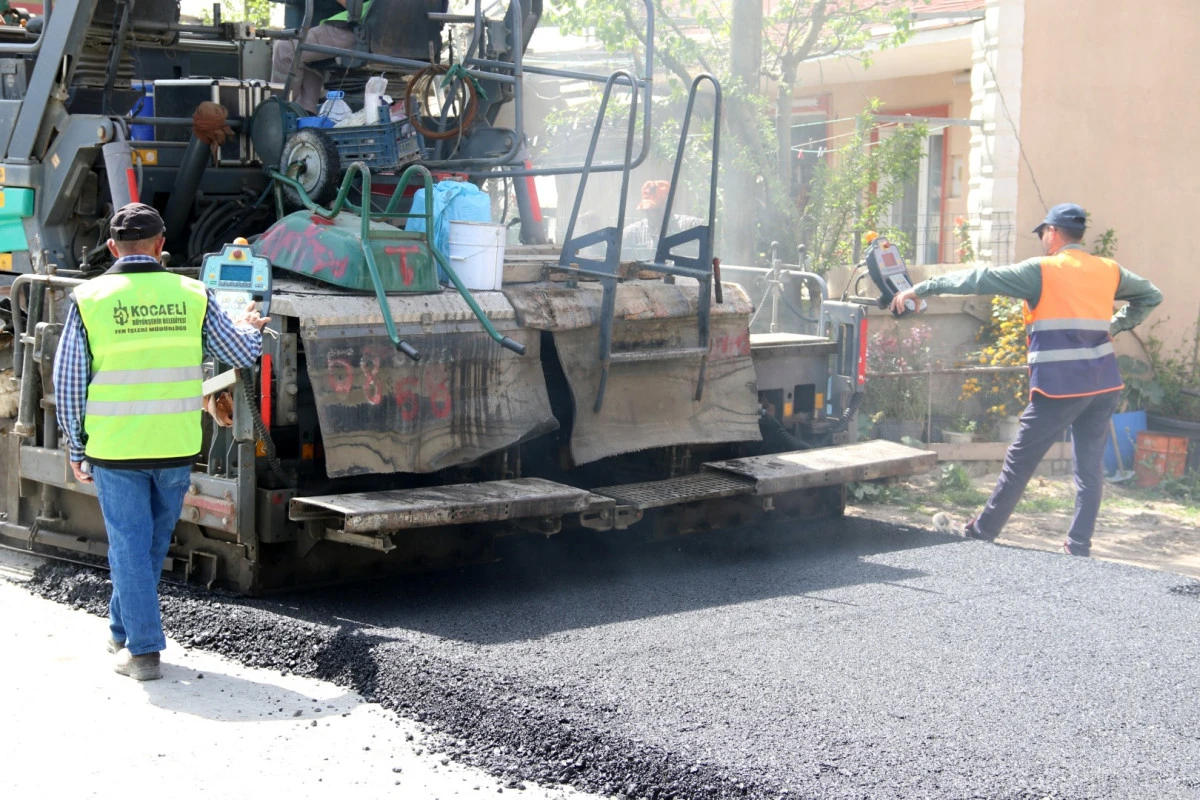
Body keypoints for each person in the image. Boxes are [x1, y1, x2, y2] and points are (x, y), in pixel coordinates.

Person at [52, 203, 269, 681]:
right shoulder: (194, 294)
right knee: (147, 545)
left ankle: (144, 651)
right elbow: (238, 353)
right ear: (160, 245)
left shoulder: (89, 298)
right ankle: (120, 632)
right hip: (174, 445)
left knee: (130, 546)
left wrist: (75, 447)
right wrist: (251, 330)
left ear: (113, 248)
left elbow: (68, 383)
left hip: (115, 448)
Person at [890, 203, 1163, 557]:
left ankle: (981, 533)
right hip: (1103, 385)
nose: (1041, 240)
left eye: (1042, 233)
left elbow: (979, 279)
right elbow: (1152, 295)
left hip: (1059, 388)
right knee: (1089, 469)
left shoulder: (1042, 271)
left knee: (1019, 463)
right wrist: (1117, 324)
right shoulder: (1109, 270)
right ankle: (1078, 546)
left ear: (1052, 232)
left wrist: (922, 288)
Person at [271, 0, 372, 113]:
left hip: (355, 29)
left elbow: (351, 3)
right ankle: (306, 114)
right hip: (366, 29)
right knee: (308, 58)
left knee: (285, 49)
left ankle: (276, 111)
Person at [621, 179, 705, 261]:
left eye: (657, 209)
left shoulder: (690, 225)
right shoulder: (632, 233)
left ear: (670, 206)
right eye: (649, 210)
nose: (652, 214)